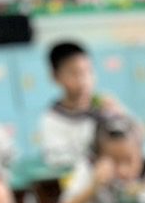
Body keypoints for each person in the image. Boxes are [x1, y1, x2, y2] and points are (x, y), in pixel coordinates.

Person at [58, 114, 145, 203]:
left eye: (129, 160)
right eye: (113, 161)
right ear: (98, 156)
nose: (123, 170)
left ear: (141, 151)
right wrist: (93, 187)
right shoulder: (89, 168)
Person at [39, 41, 121, 172]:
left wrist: (118, 115)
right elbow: (55, 160)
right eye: (74, 74)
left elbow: (134, 141)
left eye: (88, 72)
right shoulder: (52, 119)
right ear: (55, 76)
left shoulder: (105, 108)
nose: (84, 80)